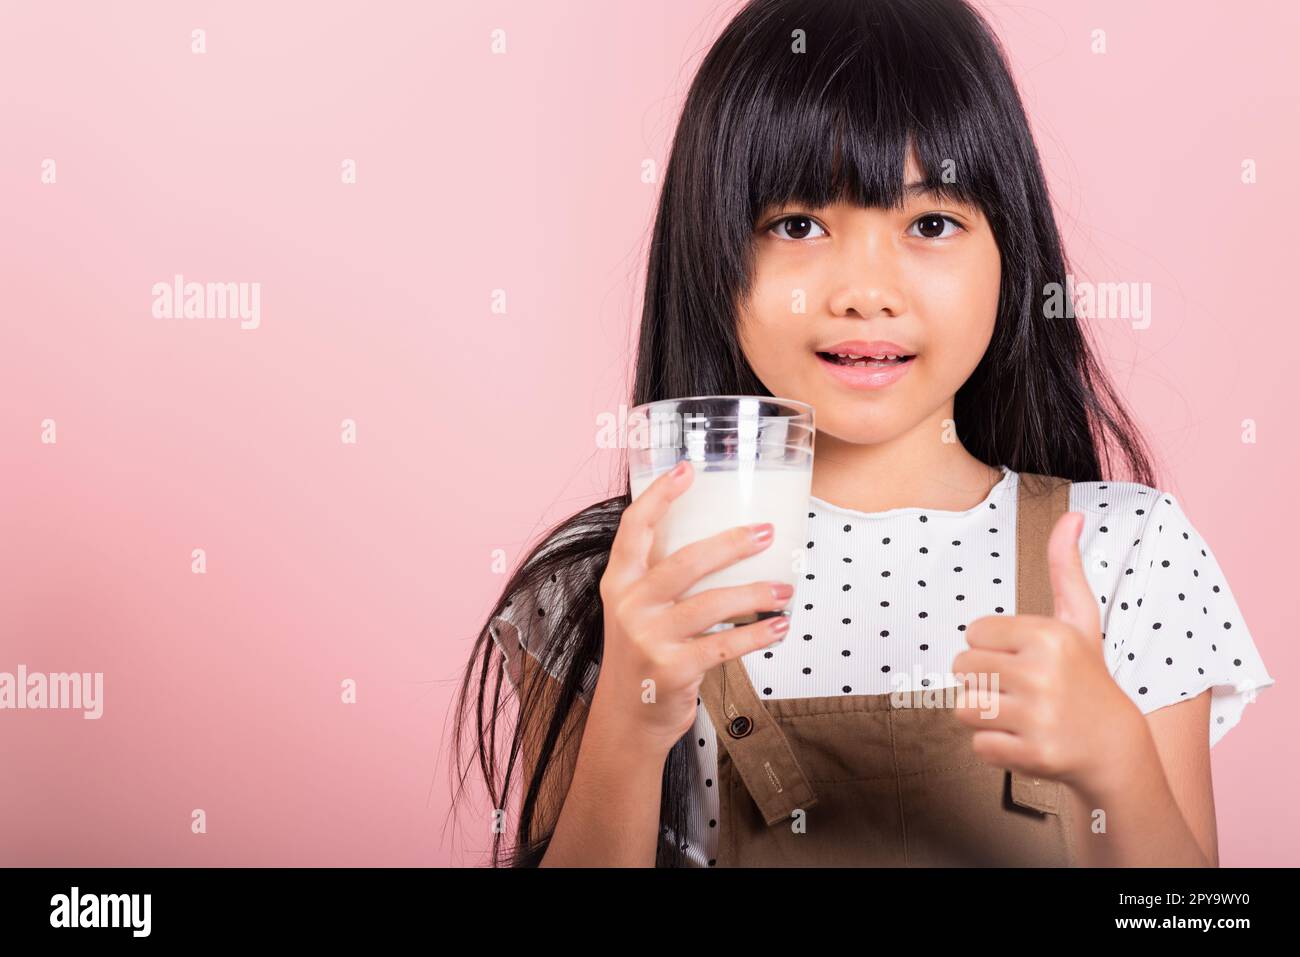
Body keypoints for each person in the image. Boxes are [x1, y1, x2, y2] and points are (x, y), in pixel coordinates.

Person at [449, 0, 1275, 867]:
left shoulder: (1127, 552)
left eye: (930, 224)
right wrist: (627, 717)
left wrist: (1122, 769)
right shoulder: (605, 585)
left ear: (1012, 250)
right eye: (799, 225)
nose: (865, 290)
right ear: (710, 249)